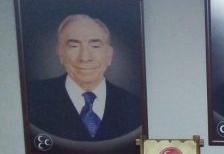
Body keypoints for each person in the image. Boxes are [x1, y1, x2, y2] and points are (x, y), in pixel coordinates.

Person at [26, 14, 142, 142]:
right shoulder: (32, 98)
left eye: (95, 46)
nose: (85, 57)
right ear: (60, 53)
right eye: (74, 46)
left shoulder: (134, 105)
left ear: (109, 55)